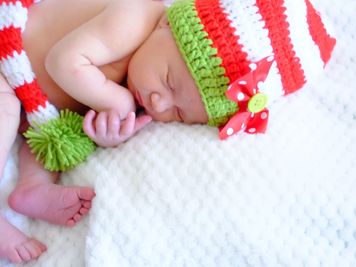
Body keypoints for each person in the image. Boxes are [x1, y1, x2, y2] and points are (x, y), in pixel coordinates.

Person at [0, 0, 335, 263]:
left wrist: (105, 133)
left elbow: (82, 111)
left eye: (179, 113)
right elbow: (62, 61)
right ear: (166, 24)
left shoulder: (146, 75)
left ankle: (31, 188)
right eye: (169, 80)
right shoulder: (133, 16)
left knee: (48, 141)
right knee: (6, 111)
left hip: (36, 106)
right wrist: (117, 102)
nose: (159, 104)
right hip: (8, 53)